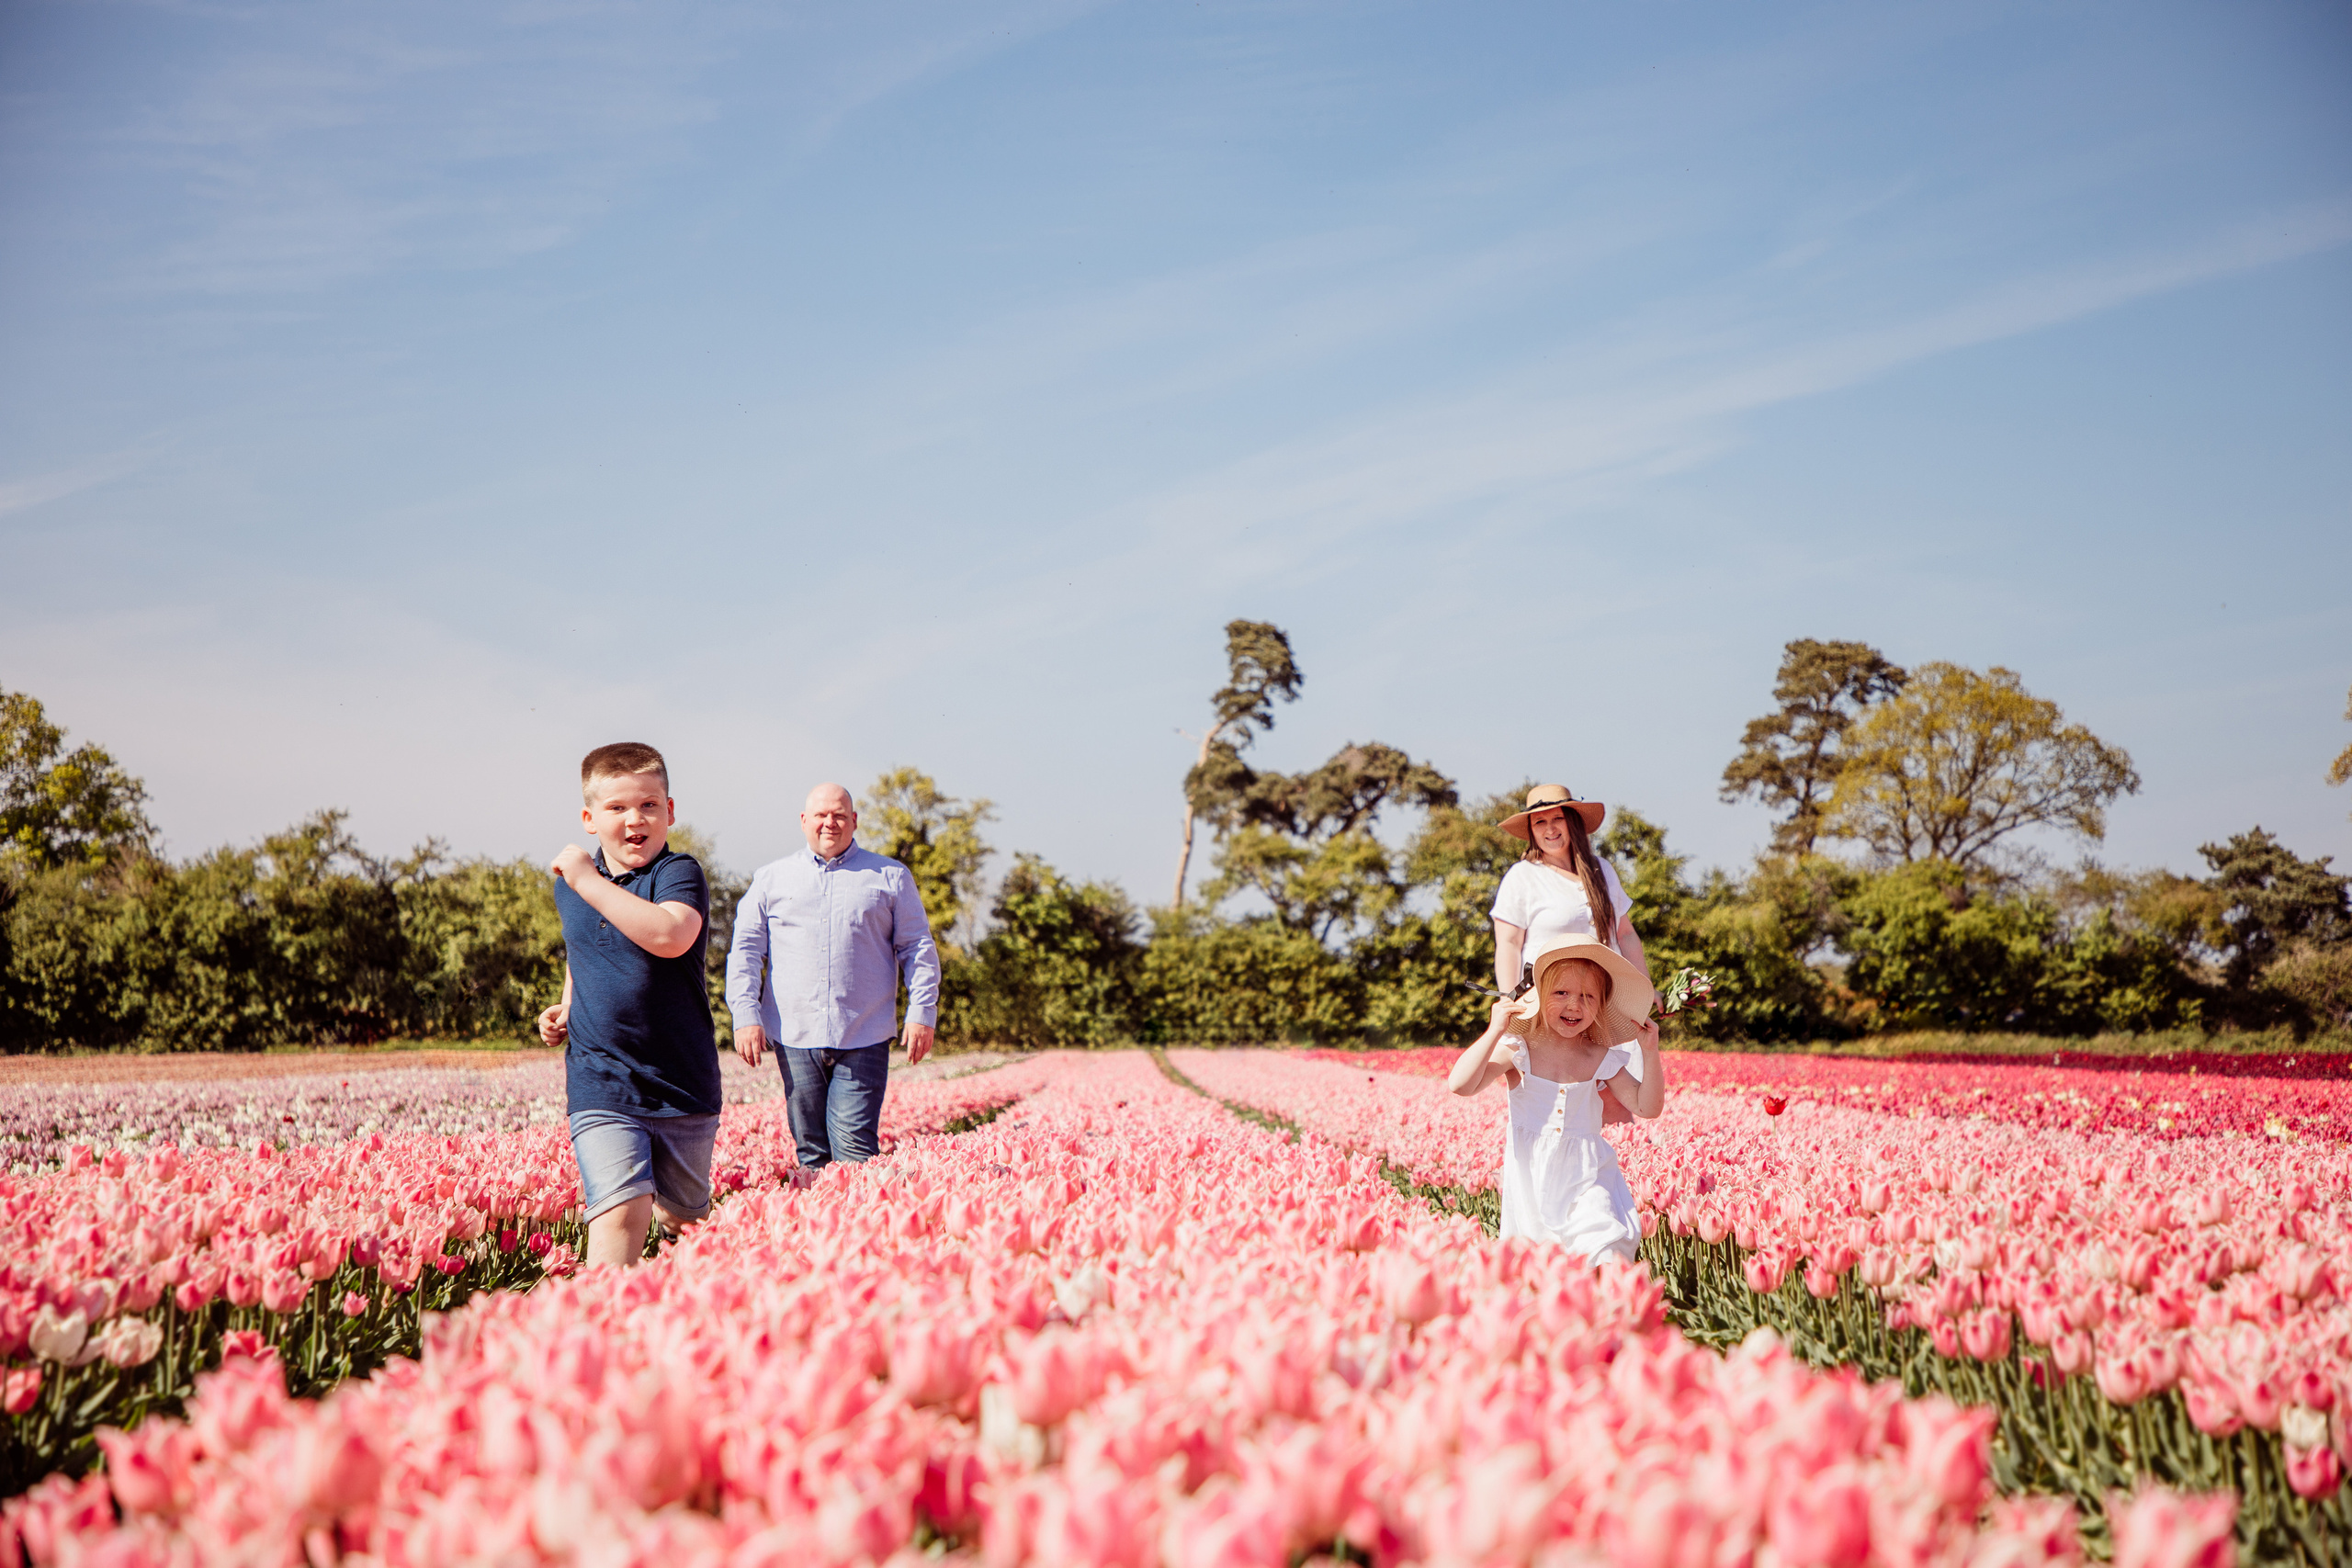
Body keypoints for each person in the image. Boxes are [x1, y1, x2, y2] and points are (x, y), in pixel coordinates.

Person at [536, 742, 719, 1269]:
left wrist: (586, 880)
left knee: (686, 1224)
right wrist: (568, 1004)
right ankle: (602, 1336)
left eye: (649, 805)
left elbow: (669, 935)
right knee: (619, 1212)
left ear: (670, 811)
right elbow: (583, 948)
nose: (635, 819)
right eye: (617, 808)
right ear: (590, 818)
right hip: (603, 1081)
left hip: (683, 1081)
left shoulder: (678, 872)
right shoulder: (572, 886)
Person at [725, 782, 941, 1171]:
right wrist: (745, 1015)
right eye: (821, 815)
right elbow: (745, 951)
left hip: (864, 1032)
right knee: (810, 1154)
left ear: (854, 821)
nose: (830, 823)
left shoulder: (890, 876)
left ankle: (859, 1229)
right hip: (794, 1033)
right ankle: (817, 1231)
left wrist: (922, 1012)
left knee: (855, 1152)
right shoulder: (771, 878)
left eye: (839, 815)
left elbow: (917, 948)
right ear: (804, 821)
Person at [1445, 933, 1665, 1266]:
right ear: (1539, 995)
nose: (1575, 1005)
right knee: (1541, 1267)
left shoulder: (1599, 1055)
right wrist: (1494, 1031)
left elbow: (1647, 1108)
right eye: (1561, 993)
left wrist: (1650, 1055)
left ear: (1601, 1004)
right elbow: (1460, 1085)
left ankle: (1613, 1312)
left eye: (1588, 996)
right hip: (1534, 1183)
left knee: (1605, 1247)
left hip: (1589, 1175)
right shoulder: (1519, 1051)